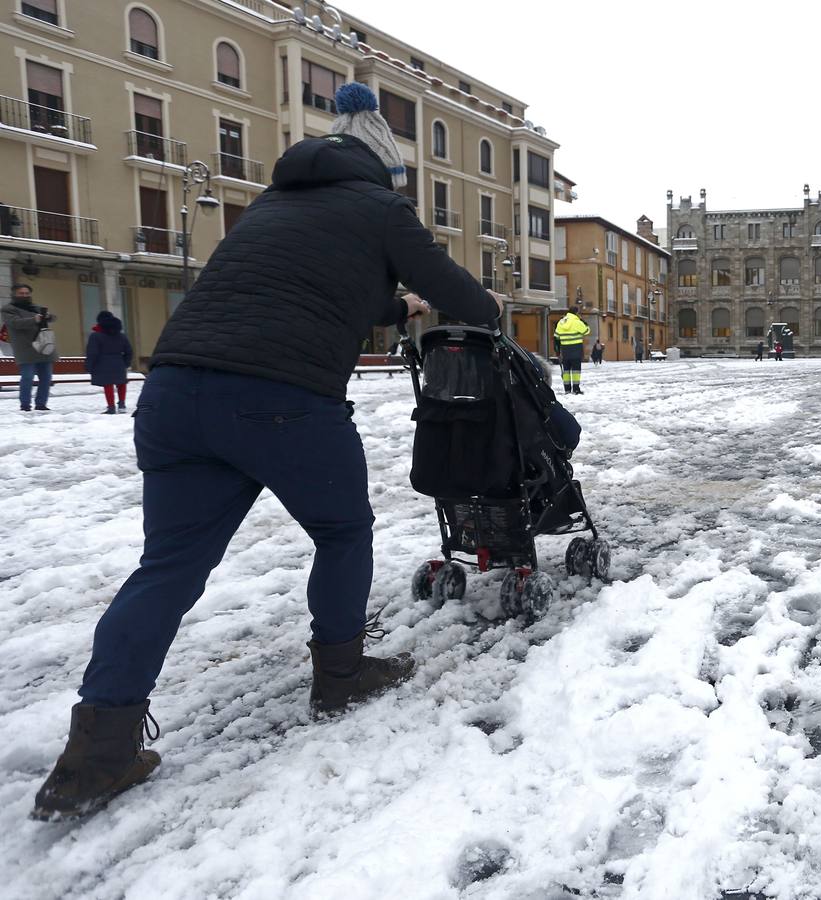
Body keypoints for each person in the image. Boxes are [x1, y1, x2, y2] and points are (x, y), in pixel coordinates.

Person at [32, 82, 503, 822]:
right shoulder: (381, 207)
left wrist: (395, 307)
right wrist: (483, 307)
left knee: (168, 567)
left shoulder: (271, 209)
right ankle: (341, 674)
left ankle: (97, 751)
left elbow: (309, 290)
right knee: (343, 531)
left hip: (175, 392)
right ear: (383, 169)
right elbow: (455, 289)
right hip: (280, 400)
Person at [2, 283, 56, 411]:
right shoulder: (8, 309)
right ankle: (25, 404)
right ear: (14, 294)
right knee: (27, 377)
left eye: (27, 293)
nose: (25, 295)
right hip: (25, 347)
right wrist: (34, 319)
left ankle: (41, 404)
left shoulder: (36, 307)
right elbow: (15, 323)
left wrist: (48, 316)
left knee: (46, 377)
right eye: (21, 293)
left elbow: (54, 318)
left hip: (43, 345)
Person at [86, 310, 134, 414]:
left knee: (108, 384)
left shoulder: (95, 336)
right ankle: (122, 404)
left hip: (103, 363)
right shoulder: (121, 335)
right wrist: (126, 363)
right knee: (121, 383)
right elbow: (129, 351)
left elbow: (92, 353)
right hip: (119, 362)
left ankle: (111, 407)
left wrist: (89, 365)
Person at [554, 304, 590, 394]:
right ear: (576, 313)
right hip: (576, 349)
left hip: (565, 350)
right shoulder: (577, 322)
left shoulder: (561, 322)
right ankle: (576, 389)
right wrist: (583, 321)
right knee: (576, 370)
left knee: (566, 370)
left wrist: (557, 350)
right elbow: (587, 330)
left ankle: (567, 389)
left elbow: (556, 337)